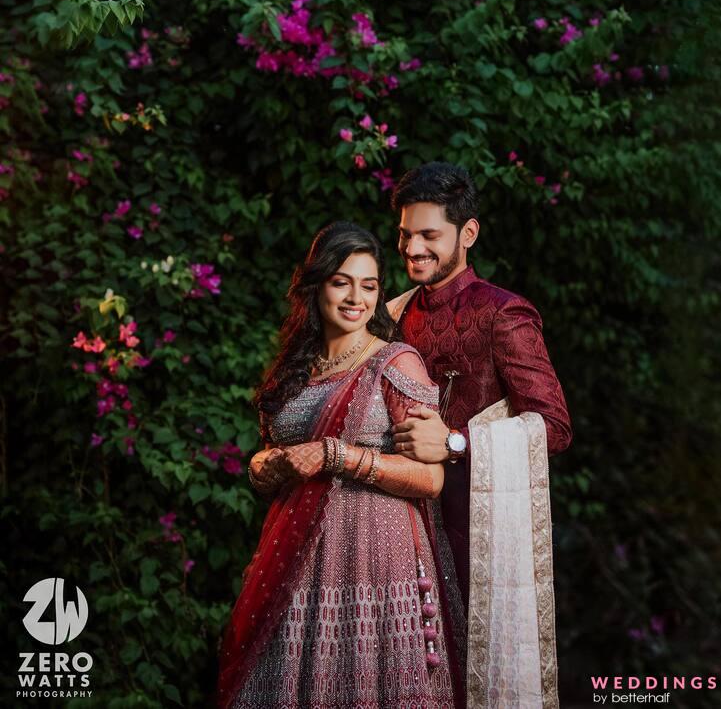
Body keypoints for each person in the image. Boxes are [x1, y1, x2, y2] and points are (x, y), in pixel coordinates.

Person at [216, 221, 467, 709]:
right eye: (342, 282)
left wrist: (337, 455)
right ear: (317, 286)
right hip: (295, 557)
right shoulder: (296, 365)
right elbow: (278, 450)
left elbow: (431, 479)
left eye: (369, 285)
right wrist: (262, 463)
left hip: (376, 555)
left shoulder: (395, 363)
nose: (357, 297)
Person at [386, 162, 573, 709]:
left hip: (476, 525)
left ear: (467, 234)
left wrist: (454, 442)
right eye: (405, 235)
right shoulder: (392, 314)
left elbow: (554, 426)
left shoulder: (502, 313)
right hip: (399, 522)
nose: (412, 248)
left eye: (428, 236)